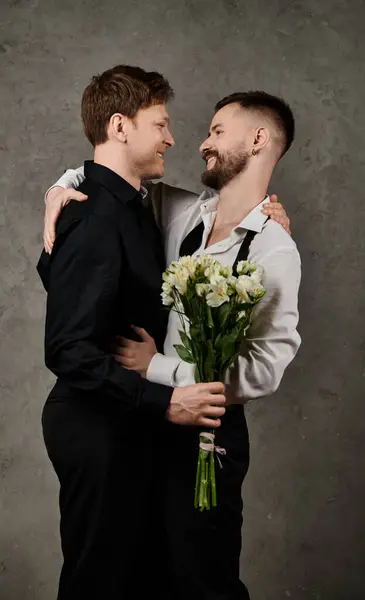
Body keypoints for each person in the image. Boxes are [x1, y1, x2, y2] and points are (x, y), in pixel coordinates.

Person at [43, 87, 300, 600]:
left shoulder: (274, 246)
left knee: (202, 576)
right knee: (146, 574)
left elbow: (265, 367)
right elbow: (112, 175)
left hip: (209, 434)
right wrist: (60, 189)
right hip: (152, 422)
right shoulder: (183, 211)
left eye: (217, 131)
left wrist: (160, 369)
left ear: (258, 139)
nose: (201, 143)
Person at [36, 65, 228, 600]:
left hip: (124, 423)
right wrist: (164, 402)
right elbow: (67, 348)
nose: (171, 137)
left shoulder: (132, 204)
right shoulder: (96, 216)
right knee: (99, 584)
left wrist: (269, 213)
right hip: (98, 426)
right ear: (120, 126)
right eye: (160, 124)